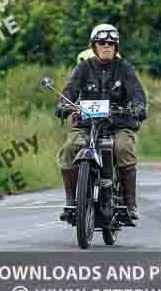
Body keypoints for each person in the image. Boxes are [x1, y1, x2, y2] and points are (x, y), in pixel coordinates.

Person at [56, 24, 147, 222]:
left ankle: (128, 203)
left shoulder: (125, 69)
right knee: (69, 148)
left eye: (111, 43)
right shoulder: (83, 68)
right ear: (94, 46)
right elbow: (71, 89)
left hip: (119, 125)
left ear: (116, 47)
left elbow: (137, 92)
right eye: (102, 42)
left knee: (122, 148)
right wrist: (64, 103)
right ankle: (72, 202)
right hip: (87, 125)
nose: (107, 46)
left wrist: (139, 106)